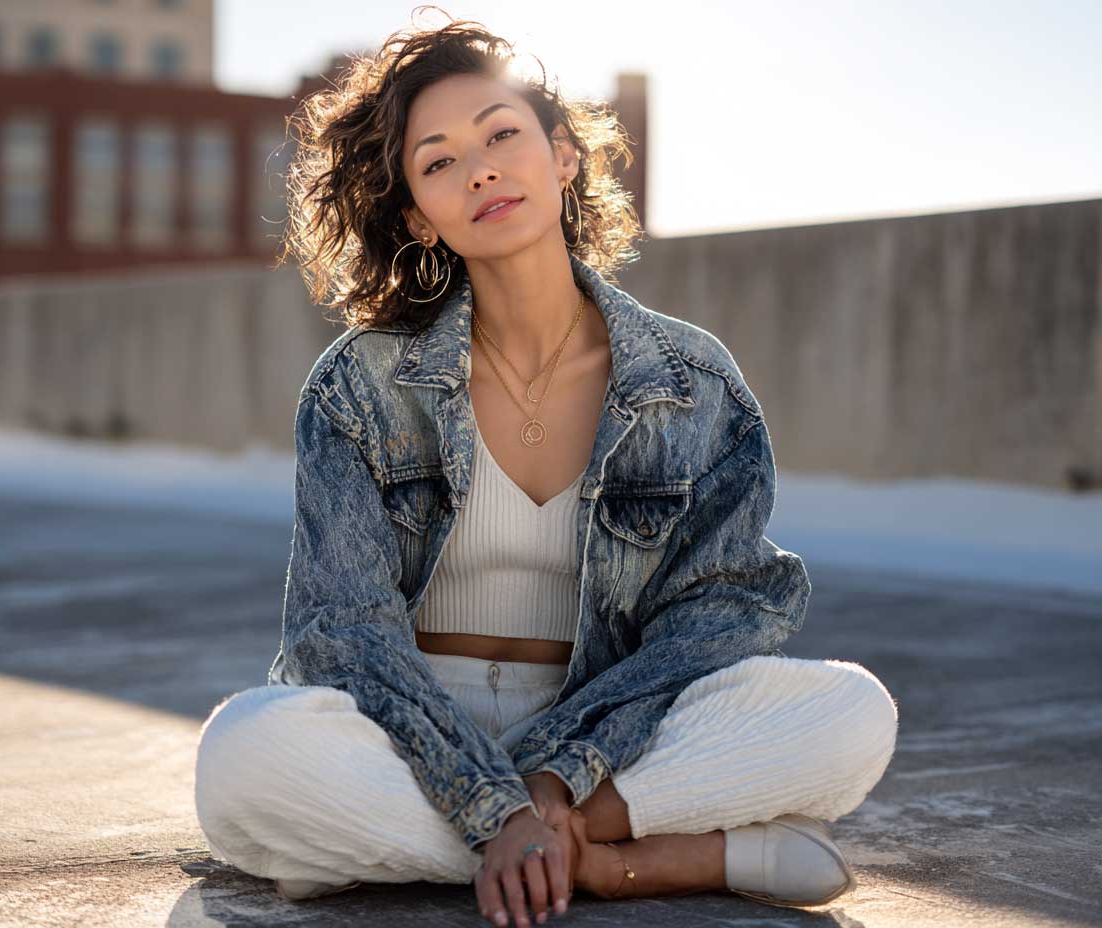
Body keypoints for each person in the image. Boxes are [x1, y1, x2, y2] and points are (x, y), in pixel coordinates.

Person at [194, 8, 898, 927]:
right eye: (440, 160)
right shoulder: (359, 386)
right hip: (409, 728)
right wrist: (493, 799)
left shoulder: (691, 383)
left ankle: (478, 849)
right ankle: (652, 858)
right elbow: (345, 637)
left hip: (602, 731)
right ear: (421, 214)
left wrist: (557, 778)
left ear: (562, 157)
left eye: (502, 134)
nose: (480, 167)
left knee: (852, 714)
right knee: (244, 754)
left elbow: (721, 616)